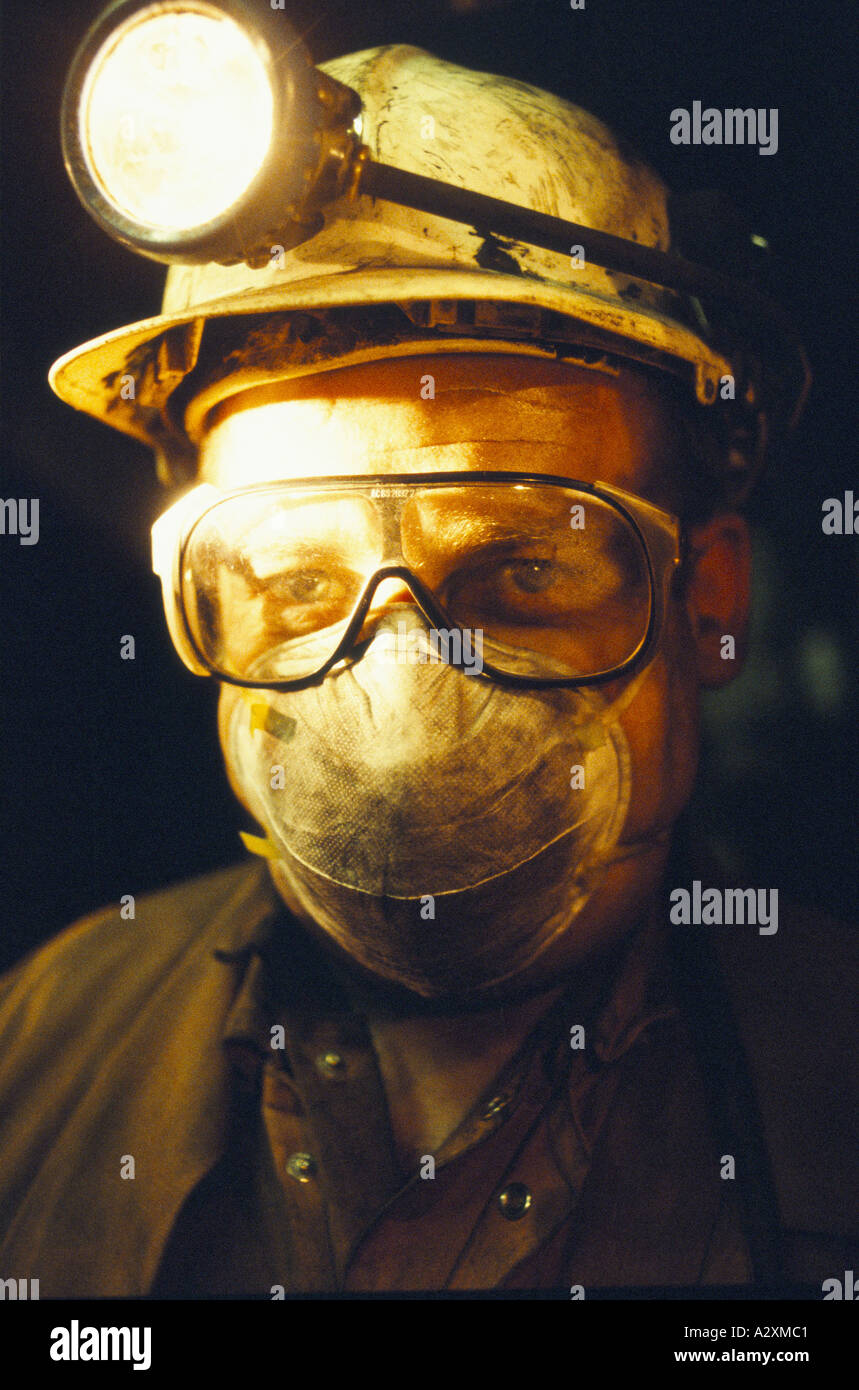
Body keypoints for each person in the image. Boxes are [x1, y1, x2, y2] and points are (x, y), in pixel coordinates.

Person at [0, 41, 855, 1298]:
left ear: (707, 599)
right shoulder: (40, 1049)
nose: (398, 683)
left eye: (517, 567)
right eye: (296, 583)